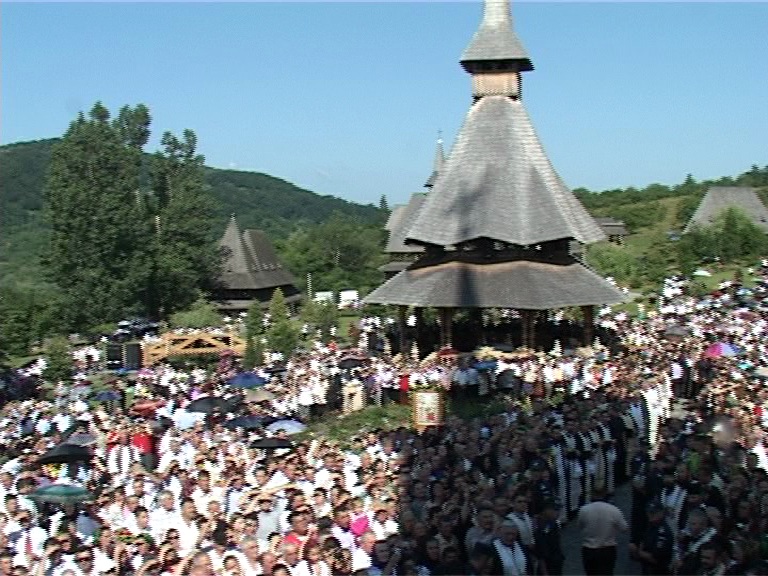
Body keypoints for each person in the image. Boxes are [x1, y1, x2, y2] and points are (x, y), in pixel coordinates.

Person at [577, 485, 628, 576]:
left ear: (592, 494)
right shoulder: (614, 510)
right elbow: (624, 528)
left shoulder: (584, 510)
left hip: (589, 549)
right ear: (606, 494)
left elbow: (580, 526)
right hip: (607, 550)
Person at [630, 501, 674, 576]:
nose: (650, 514)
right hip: (646, 569)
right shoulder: (651, 526)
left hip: (657, 571)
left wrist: (637, 551)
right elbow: (643, 543)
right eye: (649, 512)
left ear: (661, 513)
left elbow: (656, 559)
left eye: (653, 512)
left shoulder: (663, 532)